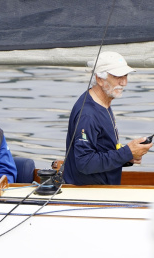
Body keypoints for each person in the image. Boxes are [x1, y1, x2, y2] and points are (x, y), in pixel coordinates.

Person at [63, 51, 153, 185]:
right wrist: (126, 152)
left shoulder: (103, 102)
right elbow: (85, 163)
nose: (124, 82)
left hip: (103, 190)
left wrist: (128, 156)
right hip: (89, 194)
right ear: (99, 79)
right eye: (118, 76)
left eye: (126, 75)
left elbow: (101, 148)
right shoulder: (87, 115)